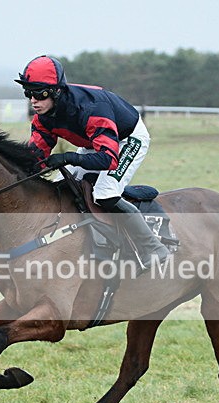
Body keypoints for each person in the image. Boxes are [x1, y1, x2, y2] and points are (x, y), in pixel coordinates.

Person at [14, 55, 169, 270]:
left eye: (39, 93)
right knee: (60, 187)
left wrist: (68, 157)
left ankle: (152, 247)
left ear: (57, 91)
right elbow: (36, 155)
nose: (33, 100)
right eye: (28, 93)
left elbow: (107, 158)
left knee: (105, 193)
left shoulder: (91, 109)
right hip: (92, 142)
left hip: (126, 140)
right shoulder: (43, 116)